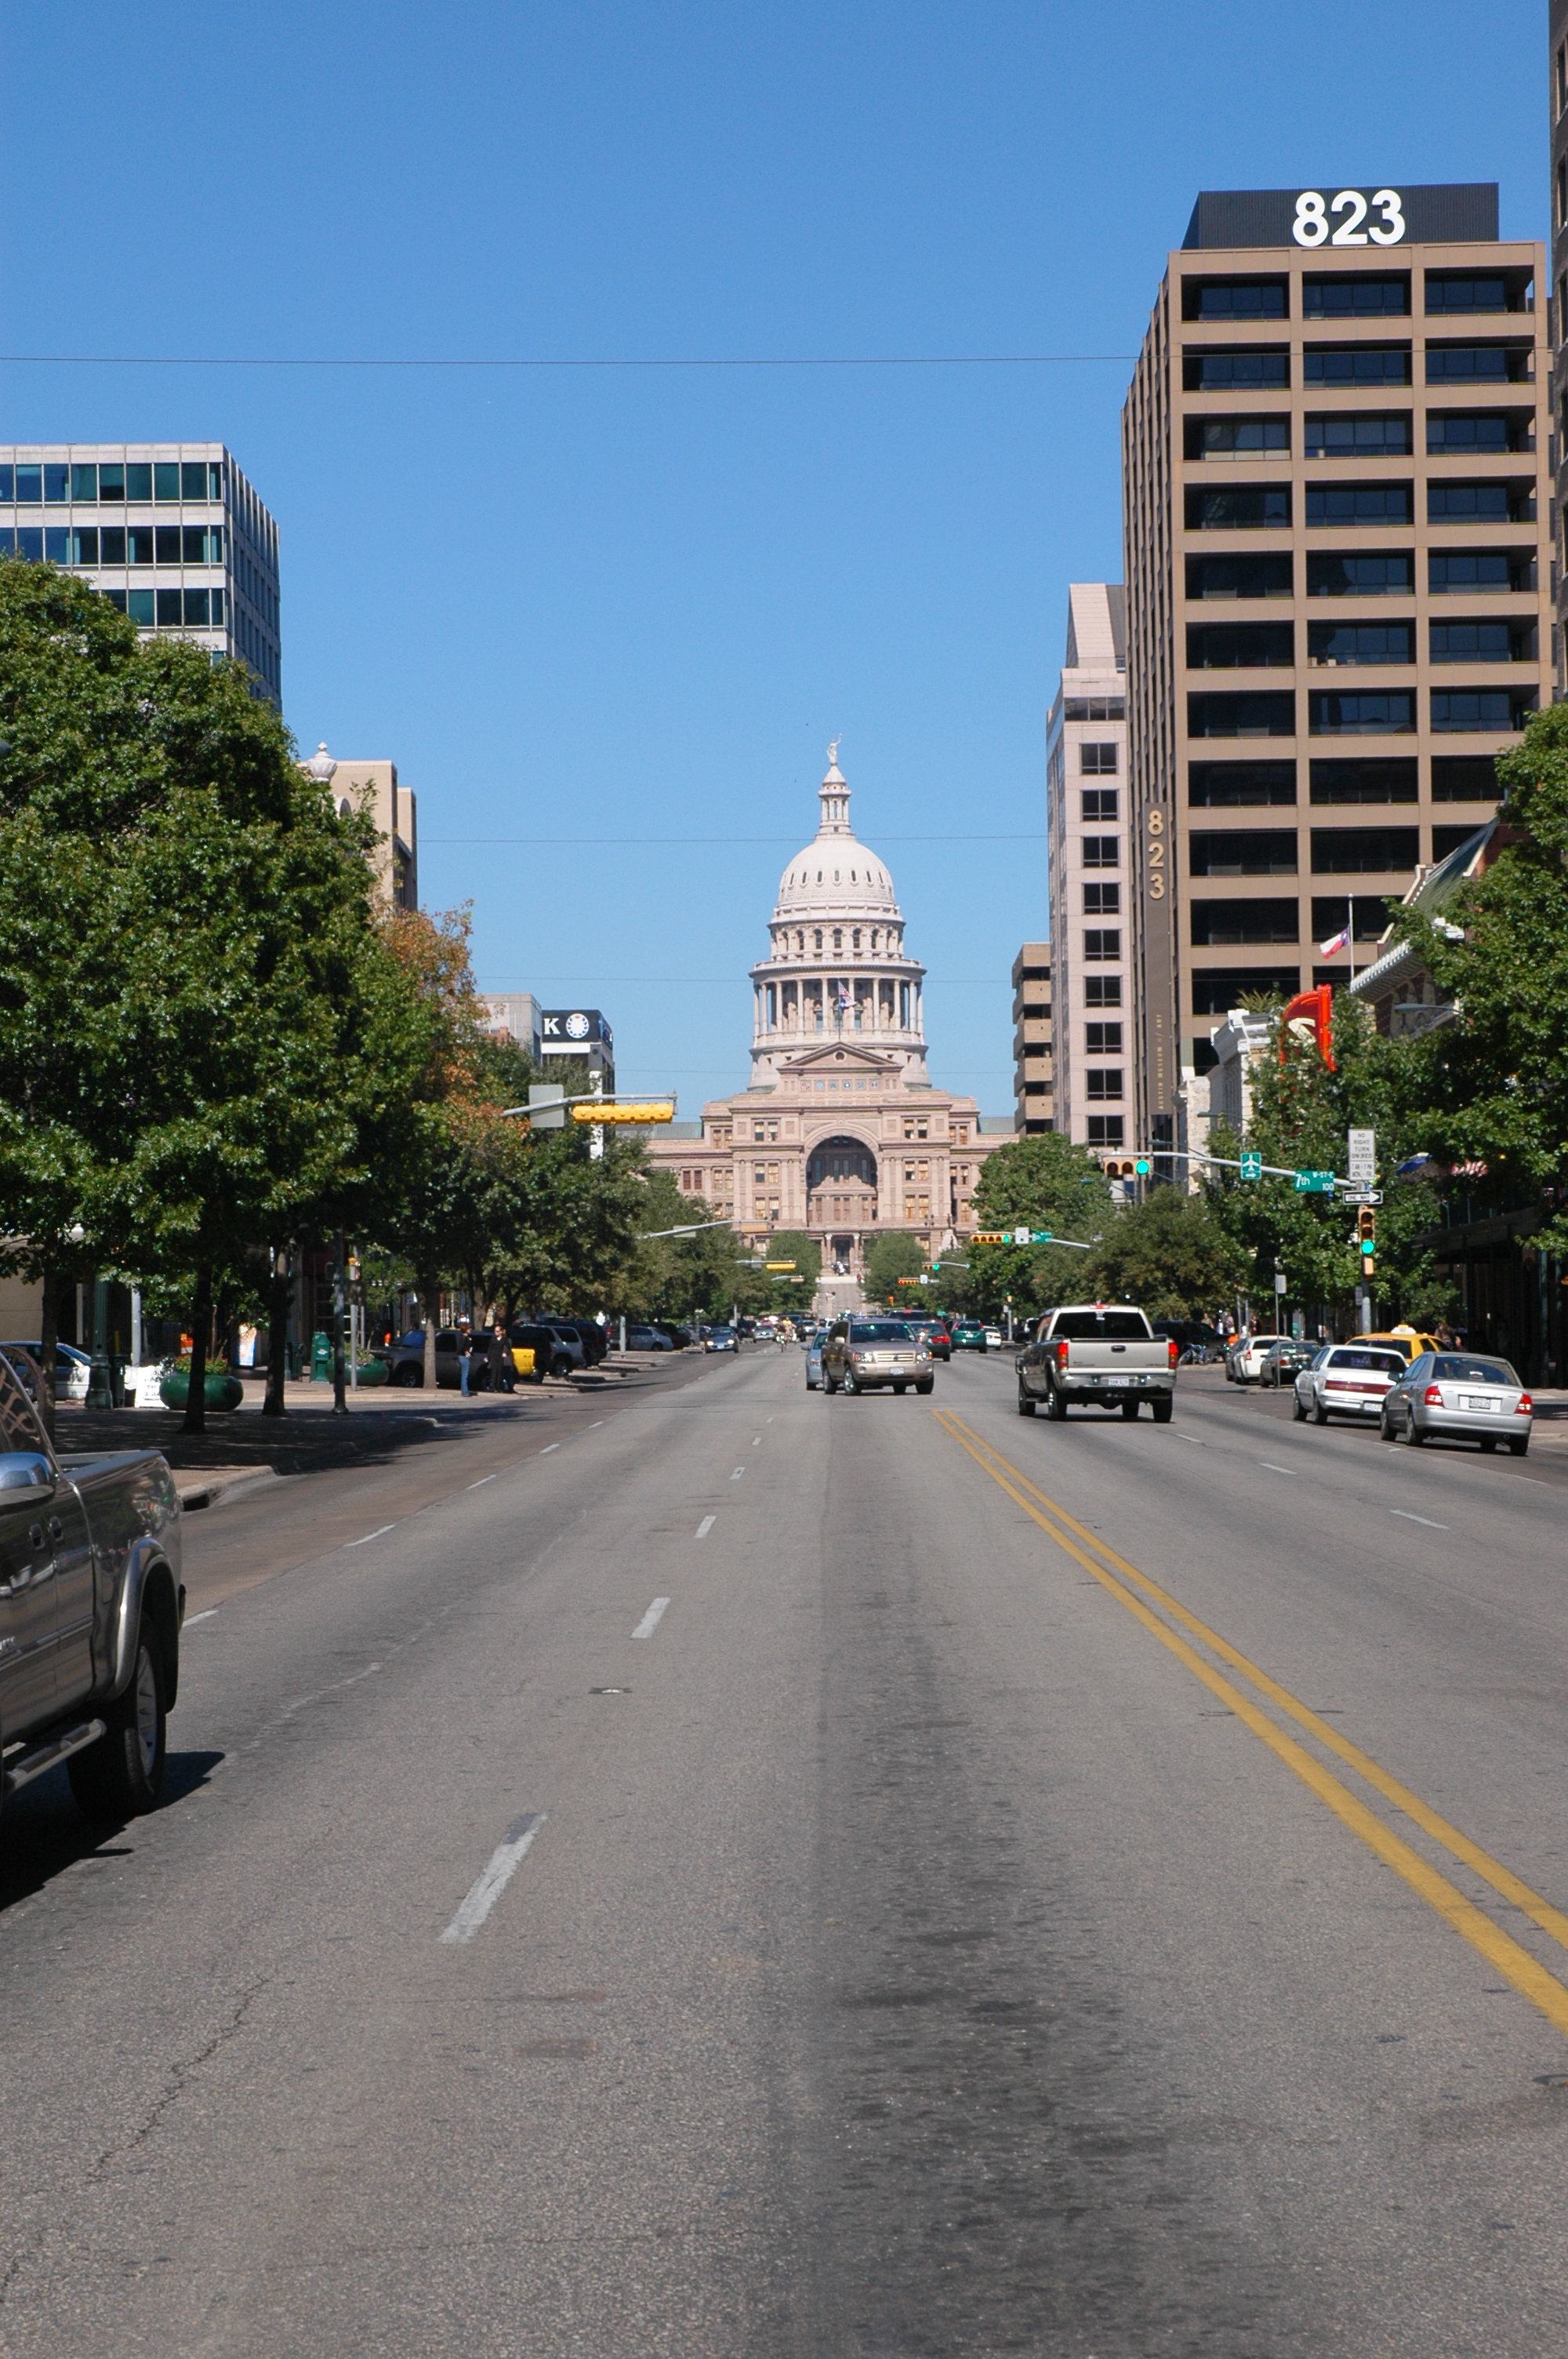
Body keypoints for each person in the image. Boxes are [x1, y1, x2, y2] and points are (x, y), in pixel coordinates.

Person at [488, 1321, 513, 1395]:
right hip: (493, 1357)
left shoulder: (504, 1339)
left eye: (497, 1331)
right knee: (494, 1371)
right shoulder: (493, 1338)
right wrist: (488, 1357)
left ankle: (498, 1387)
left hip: (500, 1357)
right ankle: (493, 1387)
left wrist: (506, 1353)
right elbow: (490, 1348)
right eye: (495, 1331)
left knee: (499, 1372)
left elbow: (509, 1347)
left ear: (501, 1332)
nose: (496, 1332)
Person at [458, 1319, 474, 1397]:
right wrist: (466, 1352)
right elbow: (461, 1347)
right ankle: (465, 1392)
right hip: (464, 1357)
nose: (470, 1329)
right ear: (466, 1329)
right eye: (469, 1328)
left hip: (465, 1357)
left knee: (464, 1375)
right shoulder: (464, 1338)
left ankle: (465, 1391)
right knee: (465, 1375)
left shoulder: (467, 1337)